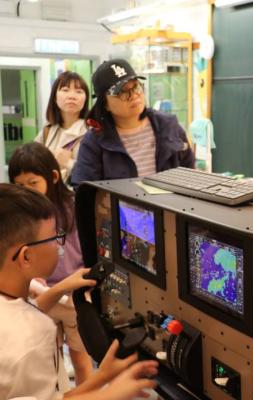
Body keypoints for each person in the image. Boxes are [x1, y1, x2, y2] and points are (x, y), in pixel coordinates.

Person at [0, 183, 158, 400]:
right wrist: (109, 395)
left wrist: (101, 377)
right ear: (26, 256)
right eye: (53, 237)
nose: (59, 245)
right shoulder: (32, 337)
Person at [9, 142, 93, 384]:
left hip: (76, 296)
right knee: (50, 359)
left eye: (32, 183)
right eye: (19, 186)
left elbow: (86, 248)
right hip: (43, 295)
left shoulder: (74, 206)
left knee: (81, 359)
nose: (26, 191)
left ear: (53, 177)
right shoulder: (21, 216)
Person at [70, 58, 194, 187]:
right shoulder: (94, 141)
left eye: (136, 86)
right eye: (122, 92)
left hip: (169, 200)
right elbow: (83, 190)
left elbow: (190, 175)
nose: (134, 95)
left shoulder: (169, 126)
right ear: (104, 104)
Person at [35, 71, 90, 183]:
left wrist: (69, 163)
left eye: (79, 91)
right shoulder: (48, 129)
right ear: (54, 97)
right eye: (65, 90)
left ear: (85, 99)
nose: (72, 96)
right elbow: (33, 162)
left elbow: (98, 176)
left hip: (78, 193)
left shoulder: (93, 132)